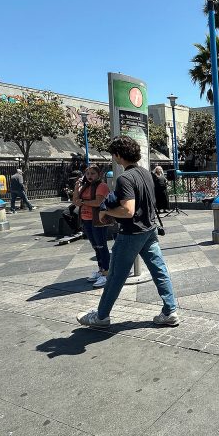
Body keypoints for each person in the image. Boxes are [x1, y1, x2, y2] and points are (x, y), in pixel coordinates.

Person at [77, 136, 179, 328]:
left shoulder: (124, 178)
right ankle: (170, 311)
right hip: (149, 230)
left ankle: (101, 317)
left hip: (131, 233)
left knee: (115, 275)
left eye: (113, 154)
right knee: (159, 271)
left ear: (118, 155)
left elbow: (128, 210)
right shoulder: (146, 173)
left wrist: (106, 211)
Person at [73, 165, 111, 288]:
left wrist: (83, 202)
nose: (89, 176)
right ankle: (101, 270)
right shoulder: (85, 186)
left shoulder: (102, 186)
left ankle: (106, 273)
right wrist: (76, 187)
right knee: (96, 246)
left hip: (98, 220)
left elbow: (98, 202)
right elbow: (75, 201)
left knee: (101, 246)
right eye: (88, 173)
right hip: (86, 220)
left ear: (99, 175)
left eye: (92, 173)